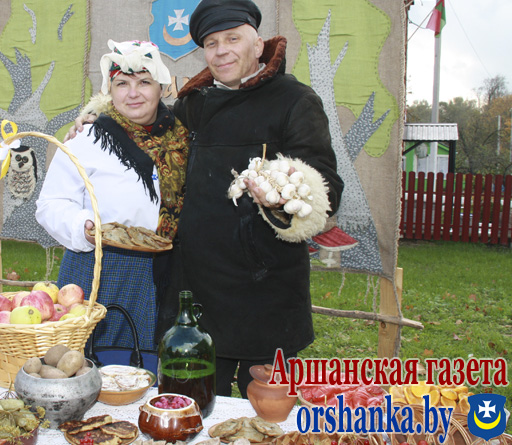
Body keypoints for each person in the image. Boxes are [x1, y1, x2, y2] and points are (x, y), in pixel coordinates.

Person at [69, 0, 343, 397]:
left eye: (233, 39)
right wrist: (100, 118)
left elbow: (327, 188)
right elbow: (145, 122)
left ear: (258, 44)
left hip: (264, 294)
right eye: (211, 43)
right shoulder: (193, 104)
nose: (221, 51)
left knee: (265, 413)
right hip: (194, 294)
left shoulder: (294, 100)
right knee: (191, 406)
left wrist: (285, 196)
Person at [36, 40, 189, 353]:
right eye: (122, 84)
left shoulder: (183, 138)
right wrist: (83, 226)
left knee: (150, 362)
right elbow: (50, 204)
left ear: (162, 87)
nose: (133, 93)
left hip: (168, 271)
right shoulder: (86, 139)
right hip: (99, 268)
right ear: (109, 90)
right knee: (88, 360)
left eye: (144, 82)